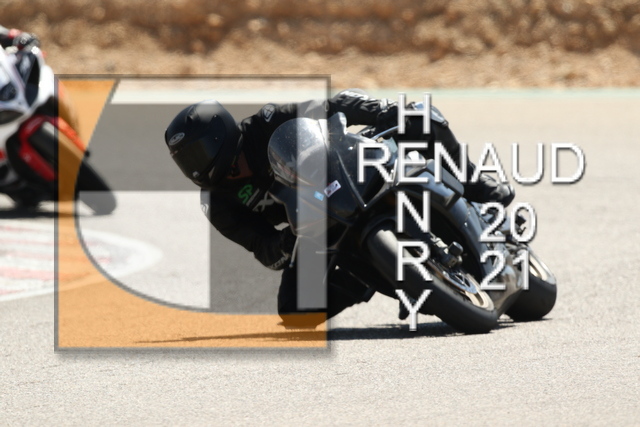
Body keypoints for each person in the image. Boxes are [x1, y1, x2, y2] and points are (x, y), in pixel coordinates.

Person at [164, 91, 515, 328]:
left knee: (419, 117)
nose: (196, 165)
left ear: (222, 136)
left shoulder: (265, 124)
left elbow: (332, 106)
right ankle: (368, 277)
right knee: (294, 312)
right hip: (317, 228)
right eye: (186, 160)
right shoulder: (218, 203)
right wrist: (287, 243)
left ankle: (474, 184)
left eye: (198, 152)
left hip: (346, 175)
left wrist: (380, 111)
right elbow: (262, 247)